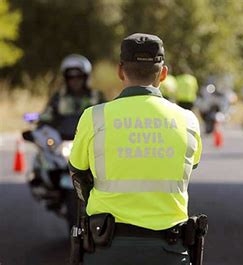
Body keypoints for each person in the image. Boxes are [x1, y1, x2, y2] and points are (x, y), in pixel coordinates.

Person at [68, 33, 202, 265]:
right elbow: (193, 165)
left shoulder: (94, 117)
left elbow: (77, 170)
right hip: (169, 249)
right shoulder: (187, 119)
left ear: (121, 71)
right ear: (163, 74)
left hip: (107, 247)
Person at [39, 54, 106, 140]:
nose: (75, 81)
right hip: (61, 144)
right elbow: (46, 117)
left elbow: (107, 117)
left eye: (79, 77)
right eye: (70, 77)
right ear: (66, 79)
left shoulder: (96, 96)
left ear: (85, 78)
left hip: (91, 142)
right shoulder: (58, 98)